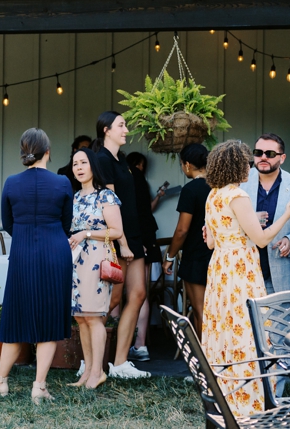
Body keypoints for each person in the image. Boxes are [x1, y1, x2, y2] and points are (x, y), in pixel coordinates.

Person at [201, 140, 290, 417]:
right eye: (247, 162)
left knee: (223, 332)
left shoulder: (214, 195)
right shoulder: (238, 196)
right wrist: (287, 213)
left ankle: (222, 395)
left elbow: (210, 242)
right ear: (237, 166)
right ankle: (246, 401)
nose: (251, 166)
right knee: (246, 332)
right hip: (240, 271)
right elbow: (261, 239)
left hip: (220, 269)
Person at [0, 128, 73, 402]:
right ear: (48, 152)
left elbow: (7, 223)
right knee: (50, 316)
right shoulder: (63, 183)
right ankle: (39, 385)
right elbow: (66, 224)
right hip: (55, 251)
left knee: (15, 315)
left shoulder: (10, 182)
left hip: (22, 253)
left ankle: (0, 381)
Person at [93, 111, 149, 380]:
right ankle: (92, 361)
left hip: (134, 237)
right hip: (117, 239)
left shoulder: (123, 160)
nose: (126, 129)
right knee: (112, 299)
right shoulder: (102, 160)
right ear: (106, 130)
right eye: (121, 125)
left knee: (138, 294)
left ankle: (120, 362)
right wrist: (123, 243)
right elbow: (111, 206)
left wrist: (139, 240)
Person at [68, 148, 125, 390]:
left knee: (94, 317)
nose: (79, 167)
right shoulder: (75, 197)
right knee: (81, 317)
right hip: (76, 260)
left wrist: (86, 233)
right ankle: (87, 371)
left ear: (93, 166)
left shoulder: (106, 196)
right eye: (75, 164)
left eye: (83, 163)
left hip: (96, 258)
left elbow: (116, 231)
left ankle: (98, 372)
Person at [237, 133, 290, 294]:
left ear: (282, 158)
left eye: (270, 154)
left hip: (280, 276)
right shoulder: (238, 183)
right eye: (258, 153)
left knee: (279, 320)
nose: (263, 157)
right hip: (242, 274)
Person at [162, 143, 211, 333]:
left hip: (196, 257)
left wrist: (170, 257)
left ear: (188, 164)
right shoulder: (219, 187)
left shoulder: (191, 190)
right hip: (217, 256)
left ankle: (204, 360)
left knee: (200, 311)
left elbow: (182, 230)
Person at [126, 151, 160, 362]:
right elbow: (146, 209)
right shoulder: (139, 180)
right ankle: (141, 345)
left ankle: (119, 343)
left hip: (128, 237)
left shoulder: (122, 179)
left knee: (118, 293)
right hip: (147, 236)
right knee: (141, 293)